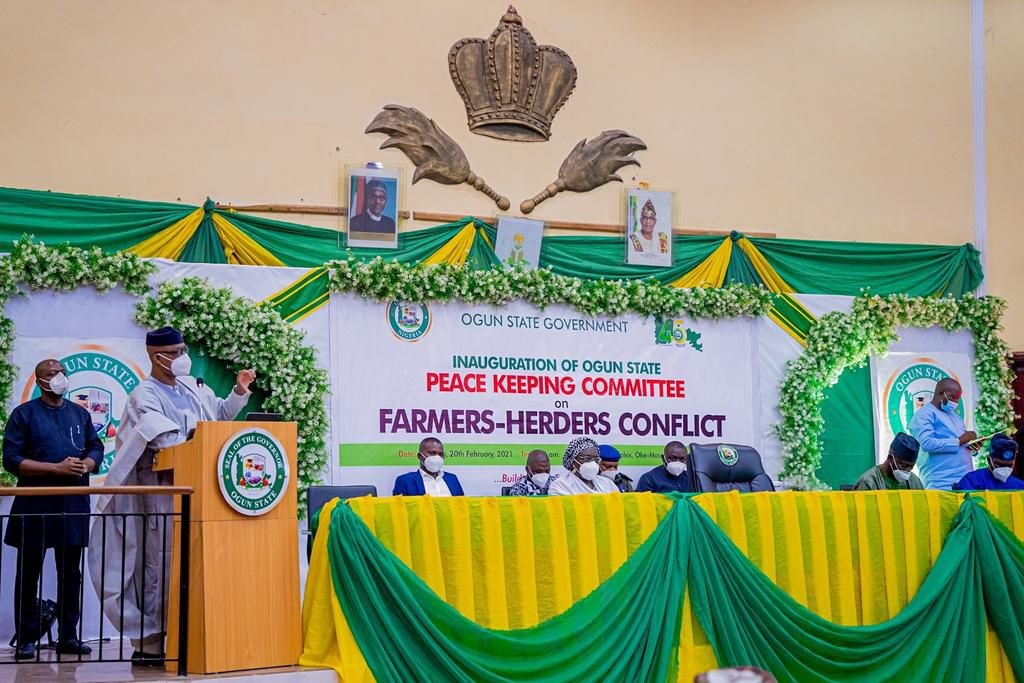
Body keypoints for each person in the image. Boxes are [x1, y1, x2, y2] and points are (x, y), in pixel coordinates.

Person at [90, 326, 254, 665]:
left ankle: (190, 637)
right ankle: (150, 645)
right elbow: (163, 440)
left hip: (202, 493)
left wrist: (239, 391)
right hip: (162, 495)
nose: (183, 357)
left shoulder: (192, 387)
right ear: (157, 357)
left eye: (183, 350)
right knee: (160, 567)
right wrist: (196, 442)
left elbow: (220, 415)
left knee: (196, 565)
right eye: (176, 352)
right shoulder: (144, 396)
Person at [3, 359, 101, 660]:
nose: (60, 377)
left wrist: (87, 464)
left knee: (71, 573)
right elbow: (11, 459)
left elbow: (96, 447)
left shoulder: (80, 414)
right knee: (28, 573)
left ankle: (68, 636)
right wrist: (55, 469)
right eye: (52, 374)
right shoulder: (24, 415)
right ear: (40, 381)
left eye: (62, 373)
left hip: (73, 504)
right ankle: (26, 638)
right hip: (35, 505)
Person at [908, 378, 978, 490]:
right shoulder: (924, 414)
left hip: (965, 480)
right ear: (941, 393)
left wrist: (972, 445)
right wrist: (959, 441)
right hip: (941, 482)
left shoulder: (956, 418)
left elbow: (961, 444)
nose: (955, 402)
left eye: (958, 399)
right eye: (953, 397)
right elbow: (927, 444)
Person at [392, 437, 465, 496]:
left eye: (441, 454)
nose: (437, 457)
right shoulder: (405, 481)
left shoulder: (452, 479)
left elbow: (462, 505)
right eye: (432, 453)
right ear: (420, 456)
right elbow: (399, 508)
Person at [548, 437, 619, 496]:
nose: (592, 463)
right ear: (573, 462)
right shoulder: (560, 486)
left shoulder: (607, 484)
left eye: (596, 459)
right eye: (587, 459)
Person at [853, 433, 924, 491]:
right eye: (903, 466)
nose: (907, 471)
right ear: (890, 457)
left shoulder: (914, 482)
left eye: (911, 467)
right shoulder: (868, 483)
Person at [954, 433, 1024, 491]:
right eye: (999, 464)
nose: (1005, 469)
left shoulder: (1020, 486)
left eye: (1009, 465)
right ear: (989, 460)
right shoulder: (971, 481)